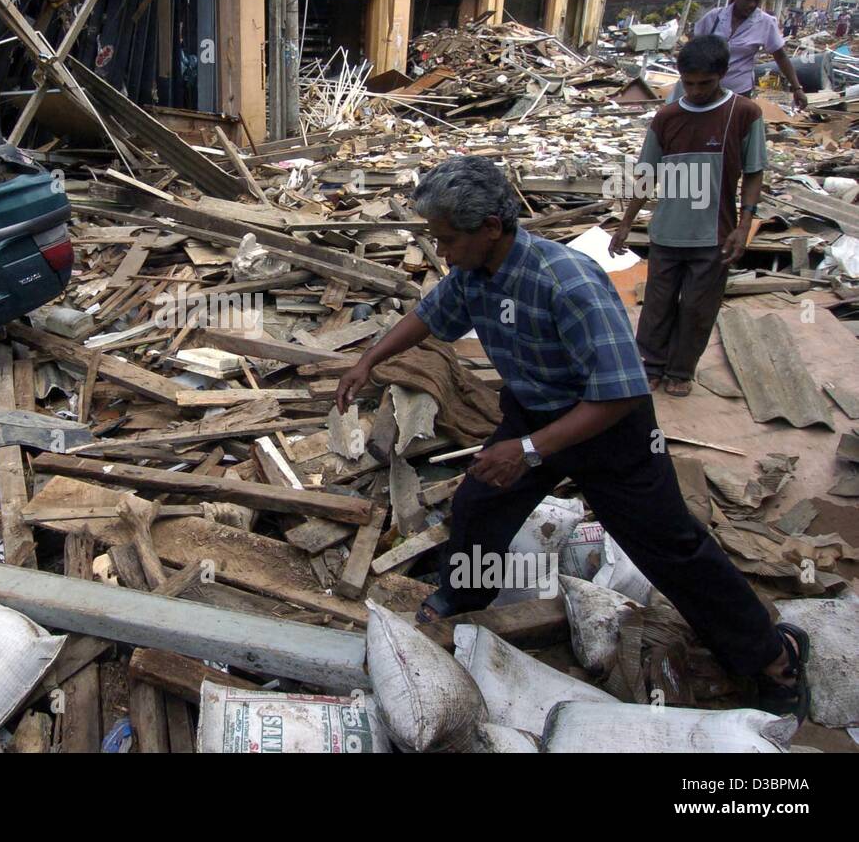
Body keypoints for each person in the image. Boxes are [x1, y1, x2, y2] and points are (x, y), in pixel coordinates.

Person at [334, 155, 809, 720]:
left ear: (491, 227)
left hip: (608, 429)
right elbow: (431, 317)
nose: (444, 253)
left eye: (448, 239)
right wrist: (369, 360)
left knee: (670, 546)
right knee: (480, 504)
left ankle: (771, 656)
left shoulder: (568, 281)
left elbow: (622, 392)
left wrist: (530, 450)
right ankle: (462, 599)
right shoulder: (473, 272)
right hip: (533, 411)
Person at [609, 36, 764, 398]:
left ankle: (681, 371)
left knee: (697, 308)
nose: (695, 91)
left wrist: (744, 225)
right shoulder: (667, 118)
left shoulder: (744, 114)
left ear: (722, 75)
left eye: (704, 84)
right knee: (657, 307)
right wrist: (626, 223)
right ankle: (650, 365)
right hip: (666, 233)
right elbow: (647, 175)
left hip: (714, 234)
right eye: (689, 83)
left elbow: (754, 172)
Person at [691, 0, 808, 107]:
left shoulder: (765, 22)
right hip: (706, 89)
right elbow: (694, 47)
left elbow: (780, 56)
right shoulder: (714, 17)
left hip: (739, 90)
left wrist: (797, 88)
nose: (752, 4)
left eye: (757, 0)